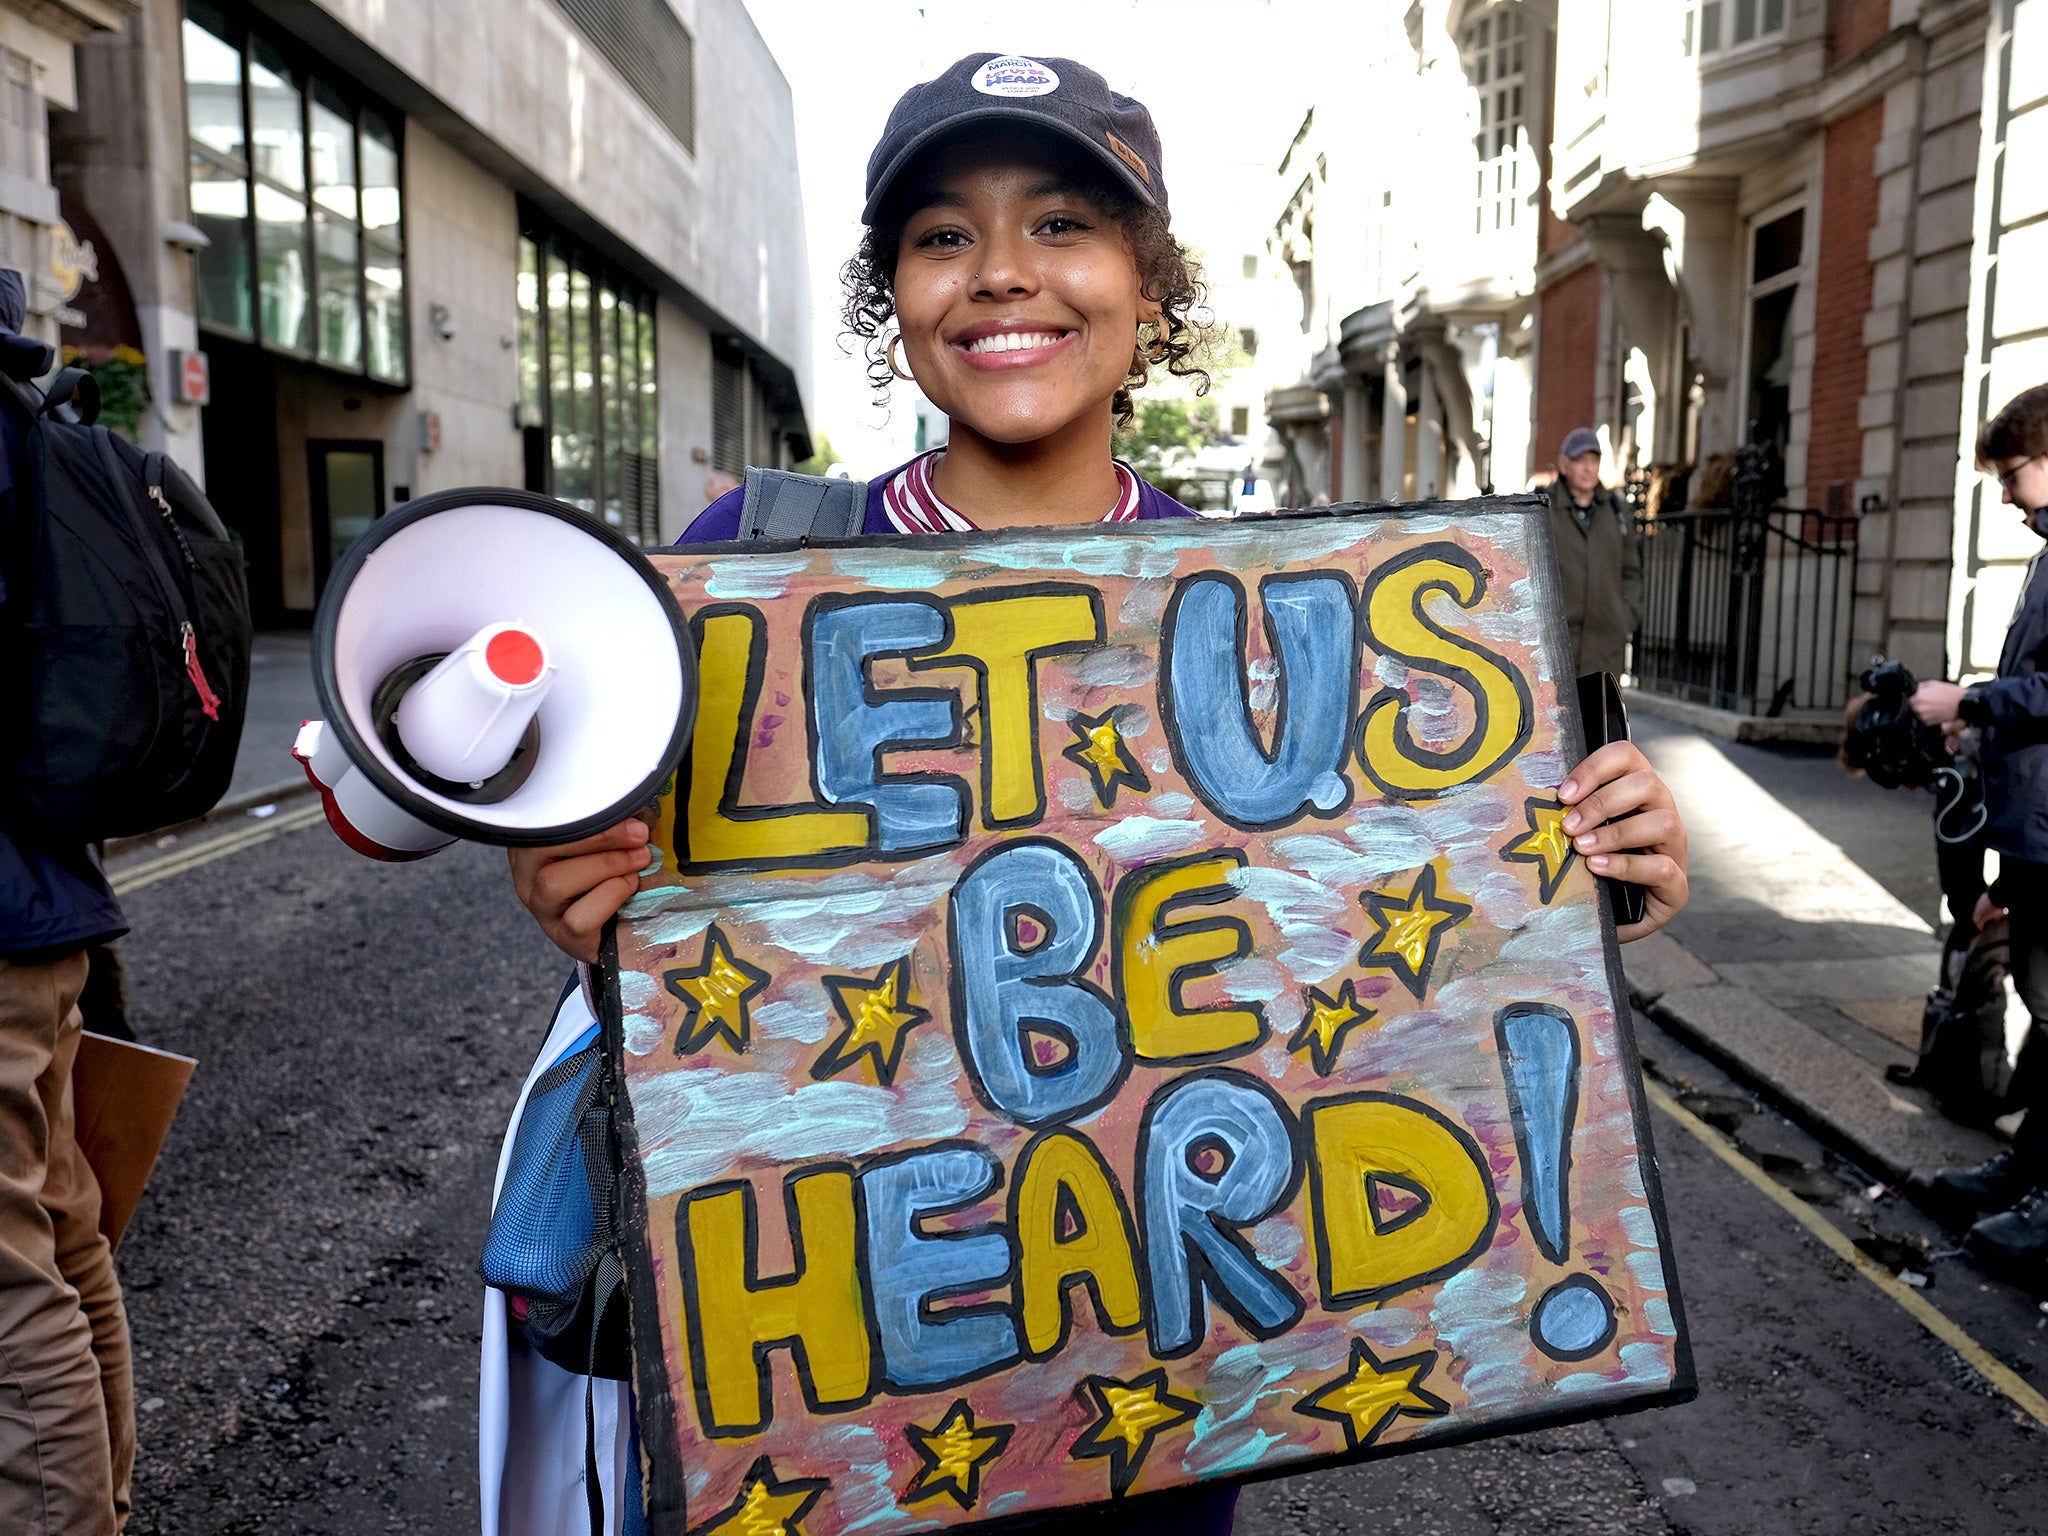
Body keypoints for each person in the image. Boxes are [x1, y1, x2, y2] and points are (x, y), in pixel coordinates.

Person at [485, 55, 1693, 1533]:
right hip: (847, 1398)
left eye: (1061, 224)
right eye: (942, 236)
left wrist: (1574, 883)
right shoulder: (744, 565)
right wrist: (572, 893)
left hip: (1157, 1395)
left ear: (1150, 289)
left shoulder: (1289, 611)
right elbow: (636, 901)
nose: (1001, 275)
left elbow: (1370, 957)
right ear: (896, 302)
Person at [0, 270, 134, 1533]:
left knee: (7, 1279)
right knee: (62, 1225)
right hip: (47, 897)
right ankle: (102, 1501)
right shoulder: (26, 414)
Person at [1913, 383, 2048, 1272]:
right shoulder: (2047, 553)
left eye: (2012, 473)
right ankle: (2027, 1177)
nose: (2003, 492)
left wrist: (1971, 700)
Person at [1546, 427, 1644, 680]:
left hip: (1606, 644)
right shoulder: (1543, 509)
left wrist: (1626, 617)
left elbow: (1632, 569)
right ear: (1564, 464)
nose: (1589, 468)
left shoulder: (1617, 510)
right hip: (1556, 644)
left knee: (1600, 718)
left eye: (1594, 461)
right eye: (1580, 461)